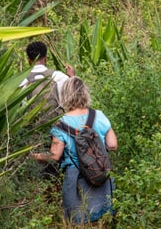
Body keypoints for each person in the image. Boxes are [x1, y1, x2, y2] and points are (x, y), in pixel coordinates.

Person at [30, 76, 118, 225]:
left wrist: (34, 156)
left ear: (65, 95)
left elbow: (54, 156)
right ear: (85, 93)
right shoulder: (99, 115)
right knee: (103, 220)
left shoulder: (61, 123)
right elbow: (113, 145)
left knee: (78, 221)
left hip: (76, 179)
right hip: (101, 175)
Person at [21, 41, 75, 180]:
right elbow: (73, 99)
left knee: (37, 170)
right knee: (59, 169)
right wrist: (72, 77)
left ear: (29, 60)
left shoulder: (21, 81)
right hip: (58, 131)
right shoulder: (58, 76)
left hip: (33, 132)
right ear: (45, 58)